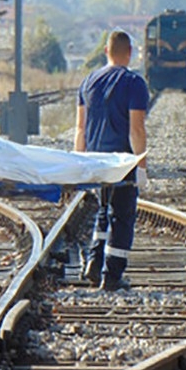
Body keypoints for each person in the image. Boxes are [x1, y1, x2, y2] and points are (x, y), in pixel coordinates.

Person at [74, 30, 149, 291]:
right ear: (129, 53)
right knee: (123, 216)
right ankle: (112, 276)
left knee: (104, 211)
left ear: (106, 51)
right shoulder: (134, 83)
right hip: (122, 161)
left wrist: (78, 162)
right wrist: (141, 166)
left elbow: (80, 128)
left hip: (95, 160)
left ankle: (94, 264)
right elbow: (136, 129)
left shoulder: (87, 82)